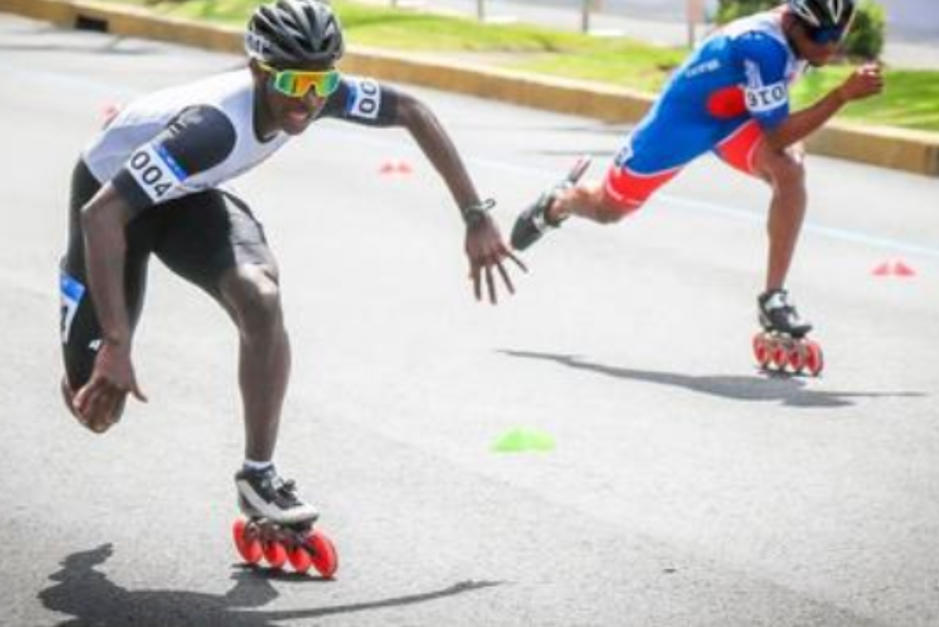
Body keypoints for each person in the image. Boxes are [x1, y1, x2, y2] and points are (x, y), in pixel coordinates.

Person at [59, 0, 524, 524]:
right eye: (292, 84)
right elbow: (101, 217)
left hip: (188, 193)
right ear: (258, 70)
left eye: (320, 85)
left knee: (261, 297)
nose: (306, 102)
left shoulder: (314, 91)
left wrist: (474, 214)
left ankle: (259, 476)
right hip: (111, 203)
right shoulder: (212, 127)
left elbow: (412, 111)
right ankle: (81, 322)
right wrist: (117, 345)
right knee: (97, 408)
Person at [512, 0, 882, 338]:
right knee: (608, 209)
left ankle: (773, 298)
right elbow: (780, 131)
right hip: (684, 121)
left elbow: (777, 139)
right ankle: (560, 202)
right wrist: (840, 96)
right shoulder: (761, 46)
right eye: (820, 36)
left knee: (790, 169)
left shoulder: (800, 33)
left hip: (736, 119)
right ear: (792, 21)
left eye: (838, 35)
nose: (829, 46)